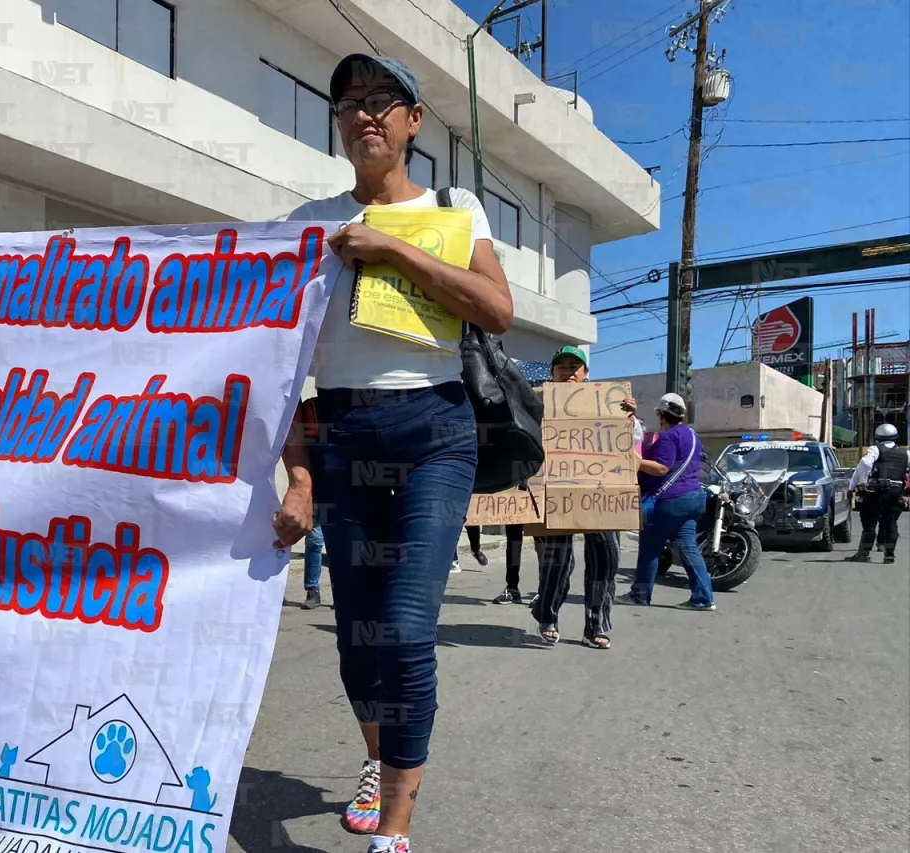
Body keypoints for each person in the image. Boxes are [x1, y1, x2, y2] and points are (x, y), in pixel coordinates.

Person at [273, 53, 512, 853]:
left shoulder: (457, 208)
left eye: (383, 99)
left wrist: (395, 250)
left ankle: (395, 833)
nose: (365, 112)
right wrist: (301, 475)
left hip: (434, 435)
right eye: (350, 102)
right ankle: (378, 761)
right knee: (357, 635)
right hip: (342, 435)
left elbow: (497, 308)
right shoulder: (309, 223)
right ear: (339, 124)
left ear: (414, 121)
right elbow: (251, 347)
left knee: (406, 630)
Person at [528, 347, 640, 648]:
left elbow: (632, 448)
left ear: (586, 373)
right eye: (561, 366)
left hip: (602, 493)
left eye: (574, 366)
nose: (568, 372)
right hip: (555, 492)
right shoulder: (536, 402)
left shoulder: (610, 403)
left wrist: (628, 418)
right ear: (552, 373)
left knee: (605, 558)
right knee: (557, 561)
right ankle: (547, 614)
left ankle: (596, 625)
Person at [626, 393, 715, 610]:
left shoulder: (668, 437)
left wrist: (635, 461)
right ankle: (704, 598)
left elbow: (662, 468)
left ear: (660, 414)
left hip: (671, 500)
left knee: (650, 547)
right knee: (688, 547)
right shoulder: (692, 435)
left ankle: (640, 594)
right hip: (694, 497)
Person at [847, 422, 906, 564]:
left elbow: (865, 464)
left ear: (878, 436)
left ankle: (864, 554)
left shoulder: (875, 449)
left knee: (870, 523)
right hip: (896, 491)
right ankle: (889, 555)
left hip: (878, 492)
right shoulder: (905, 452)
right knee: (891, 522)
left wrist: (861, 483)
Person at [492, 523, 531, 604]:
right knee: (514, 546)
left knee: (543, 545)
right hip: (516, 514)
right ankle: (512, 589)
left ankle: (545, 593)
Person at [303, 515, 326, 608]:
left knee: (340, 547)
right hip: (316, 506)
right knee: (314, 543)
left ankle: (342, 594)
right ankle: (312, 591)